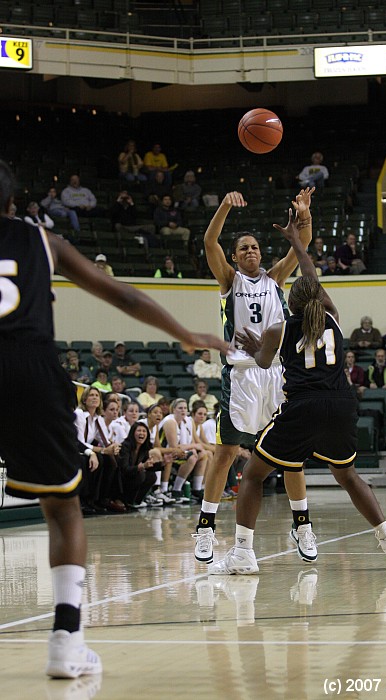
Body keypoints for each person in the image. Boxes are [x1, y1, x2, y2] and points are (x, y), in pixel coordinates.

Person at [0, 158, 227, 680]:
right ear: (14, 206)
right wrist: (188, 335)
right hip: (31, 369)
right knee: (62, 507)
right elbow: (121, 293)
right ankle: (66, 639)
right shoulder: (42, 241)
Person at [207, 207, 386, 576]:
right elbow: (310, 273)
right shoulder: (331, 315)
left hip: (303, 408)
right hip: (342, 405)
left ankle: (242, 553)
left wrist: (254, 343)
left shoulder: (280, 327)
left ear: (289, 302)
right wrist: (296, 242)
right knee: (348, 476)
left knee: (252, 475)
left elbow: (265, 362)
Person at [192, 188, 313, 565]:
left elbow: (302, 246)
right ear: (234, 257)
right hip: (241, 376)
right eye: (243, 248)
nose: (251, 252)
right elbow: (209, 240)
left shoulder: (276, 279)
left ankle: (303, 524)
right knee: (227, 451)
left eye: (255, 247)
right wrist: (225, 206)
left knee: (291, 455)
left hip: (276, 376)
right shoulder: (229, 281)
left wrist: (304, 215)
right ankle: (206, 527)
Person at [158, 398, 209, 503]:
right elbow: (174, 447)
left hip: (178, 452)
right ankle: (175, 490)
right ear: (173, 410)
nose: (183, 410)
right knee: (192, 457)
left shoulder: (188, 421)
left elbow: (196, 443)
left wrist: (193, 447)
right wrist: (192, 447)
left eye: (185, 408)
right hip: (165, 451)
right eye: (180, 408)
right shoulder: (170, 421)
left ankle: (197, 489)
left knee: (203, 454)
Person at [117, 422, 159, 508]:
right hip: (121, 479)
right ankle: (126, 500)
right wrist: (141, 466)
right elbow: (124, 469)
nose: (142, 433)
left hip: (133, 474)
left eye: (144, 431)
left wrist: (164, 462)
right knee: (140, 475)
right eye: (139, 430)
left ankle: (136, 501)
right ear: (132, 433)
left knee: (152, 476)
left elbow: (149, 467)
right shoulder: (125, 446)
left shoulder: (144, 448)